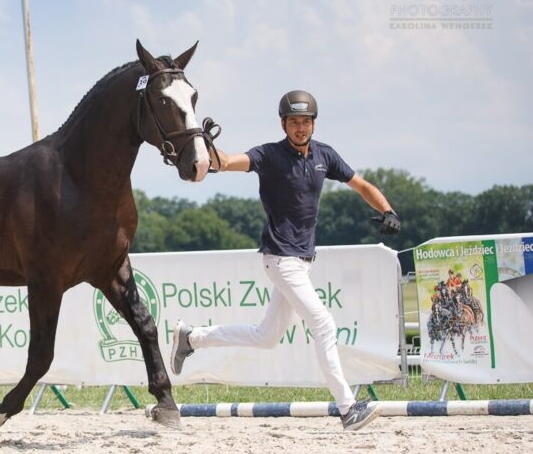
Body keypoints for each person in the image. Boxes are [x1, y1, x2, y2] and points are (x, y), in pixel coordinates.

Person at [171, 90, 401, 431]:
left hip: (303, 260)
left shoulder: (326, 155)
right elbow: (229, 162)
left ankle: (192, 337)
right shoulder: (270, 155)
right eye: (294, 122)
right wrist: (205, 147)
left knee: (266, 337)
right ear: (283, 123)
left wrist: (387, 210)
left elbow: (361, 184)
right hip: (280, 257)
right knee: (323, 323)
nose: (300, 128)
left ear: (313, 124)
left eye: (305, 121)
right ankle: (347, 408)